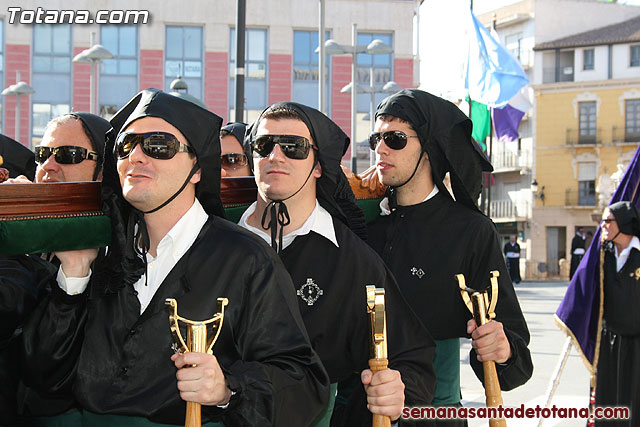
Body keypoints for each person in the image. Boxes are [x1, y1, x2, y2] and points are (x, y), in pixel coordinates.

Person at [20, 89, 329, 426]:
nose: (136, 156)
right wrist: (74, 279)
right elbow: (45, 378)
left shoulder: (246, 260)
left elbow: (303, 380)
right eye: (126, 145)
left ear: (197, 168)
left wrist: (227, 389)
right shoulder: (103, 256)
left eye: (158, 145)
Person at [238, 102, 436, 425]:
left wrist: (397, 389)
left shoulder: (352, 261)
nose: (275, 156)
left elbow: (411, 355)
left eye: (294, 147)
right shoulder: (216, 244)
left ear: (318, 165)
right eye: (264, 146)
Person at [366, 89, 533, 425]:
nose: (381, 148)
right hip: (358, 413)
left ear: (428, 147)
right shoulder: (364, 224)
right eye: (376, 138)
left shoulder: (470, 231)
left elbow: (517, 359)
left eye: (395, 138)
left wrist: (502, 350)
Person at [1, 112, 111, 424]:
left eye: (68, 155)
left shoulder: (124, 254)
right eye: (43, 154)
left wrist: (73, 280)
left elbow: (49, 372)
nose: (49, 166)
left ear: (103, 172)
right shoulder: (30, 237)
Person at [595, 201, 640, 426]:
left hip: (637, 346)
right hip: (609, 342)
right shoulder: (604, 255)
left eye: (608, 220)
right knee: (609, 403)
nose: (602, 225)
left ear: (622, 223)